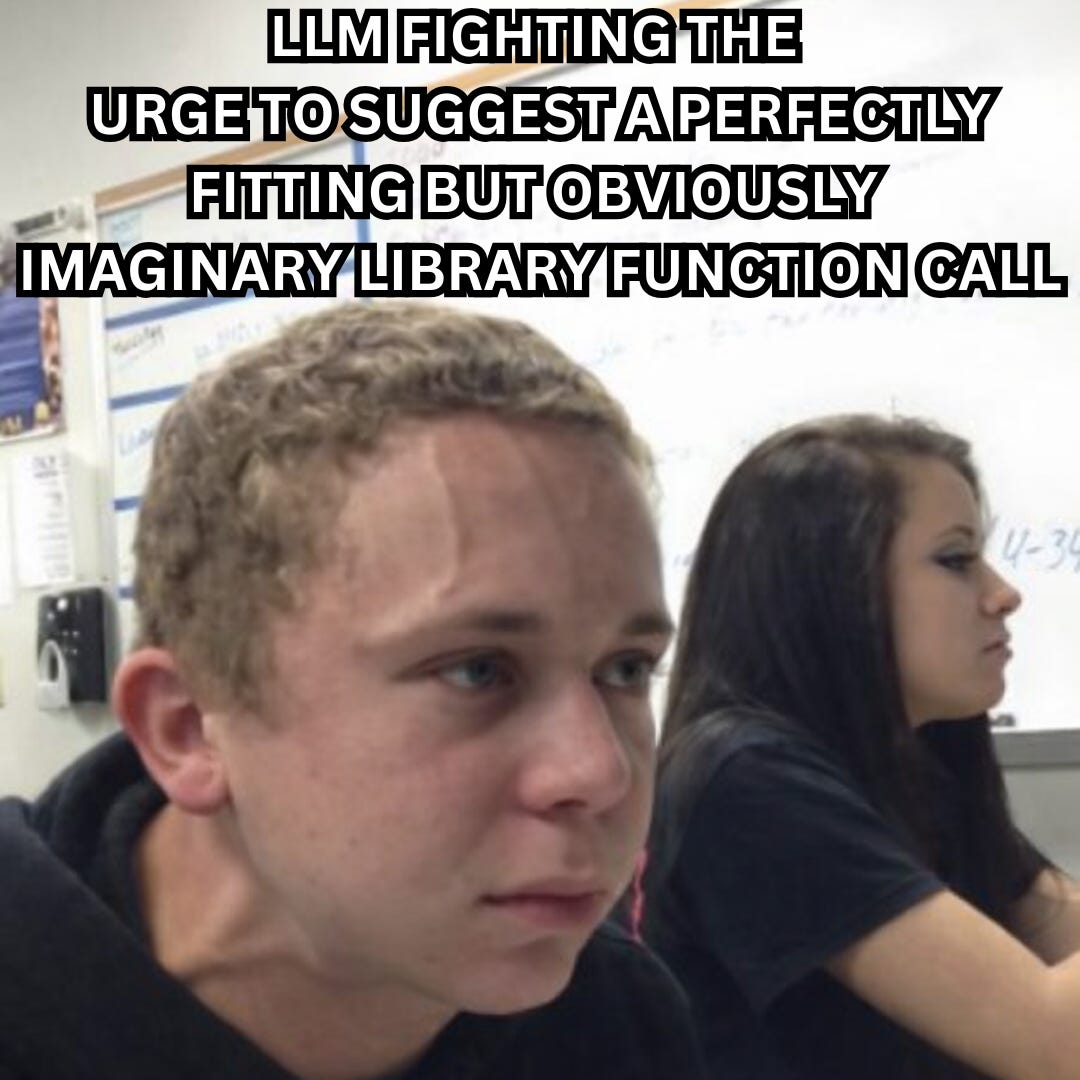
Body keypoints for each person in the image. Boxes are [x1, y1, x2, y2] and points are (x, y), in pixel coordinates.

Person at [0, 302, 706, 1080]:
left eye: (626, 669)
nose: (601, 772)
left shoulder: (614, 1023)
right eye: (477, 670)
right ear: (189, 729)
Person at [641, 414, 1080, 1080]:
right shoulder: (747, 778)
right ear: (833, 583)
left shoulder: (918, 754)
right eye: (956, 560)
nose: (1003, 594)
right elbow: (1057, 1042)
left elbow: (1053, 925)